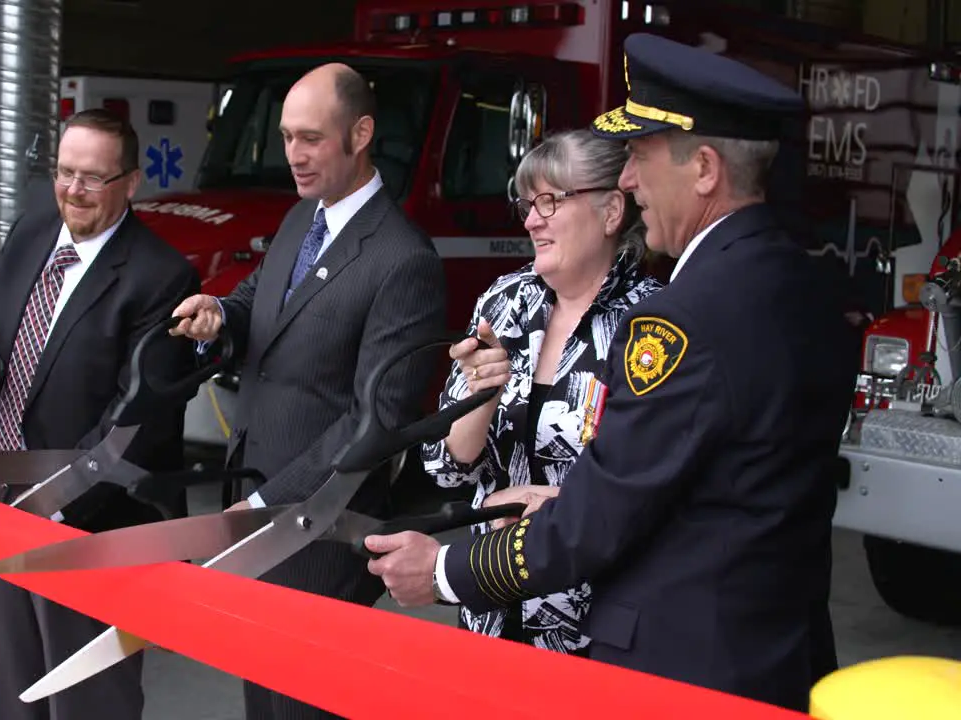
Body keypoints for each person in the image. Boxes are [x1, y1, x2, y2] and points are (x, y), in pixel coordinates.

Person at [365, 33, 859, 712]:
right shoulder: (809, 287)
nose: (628, 178)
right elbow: (720, 477)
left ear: (705, 168)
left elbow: (604, 520)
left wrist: (444, 571)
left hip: (685, 668)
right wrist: (570, 500)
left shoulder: (679, 318)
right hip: (771, 650)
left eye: (640, 157)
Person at [169, 62, 447, 719]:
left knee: (304, 705)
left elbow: (372, 420)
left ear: (361, 133)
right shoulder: (301, 219)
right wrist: (220, 319)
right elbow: (255, 303)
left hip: (318, 532)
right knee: (259, 700)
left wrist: (266, 501)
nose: (292, 155)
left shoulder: (403, 261)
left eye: (311, 139)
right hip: (258, 512)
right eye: (287, 137)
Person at [0, 109, 200, 720]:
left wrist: (59, 498)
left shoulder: (162, 276)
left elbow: (140, 422)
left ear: (130, 183)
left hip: (89, 521)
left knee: (87, 699)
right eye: (65, 173)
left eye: (92, 178)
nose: (73, 190)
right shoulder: (32, 229)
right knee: (10, 682)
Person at [421, 128, 664, 654]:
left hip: (593, 626)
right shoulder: (505, 302)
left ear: (610, 212)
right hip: (487, 609)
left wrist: (553, 503)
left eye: (550, 201)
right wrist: (481, 396)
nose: (532, 219)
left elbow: (652, 496)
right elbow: (444, 468)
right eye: (527, 204)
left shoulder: (653, 323)